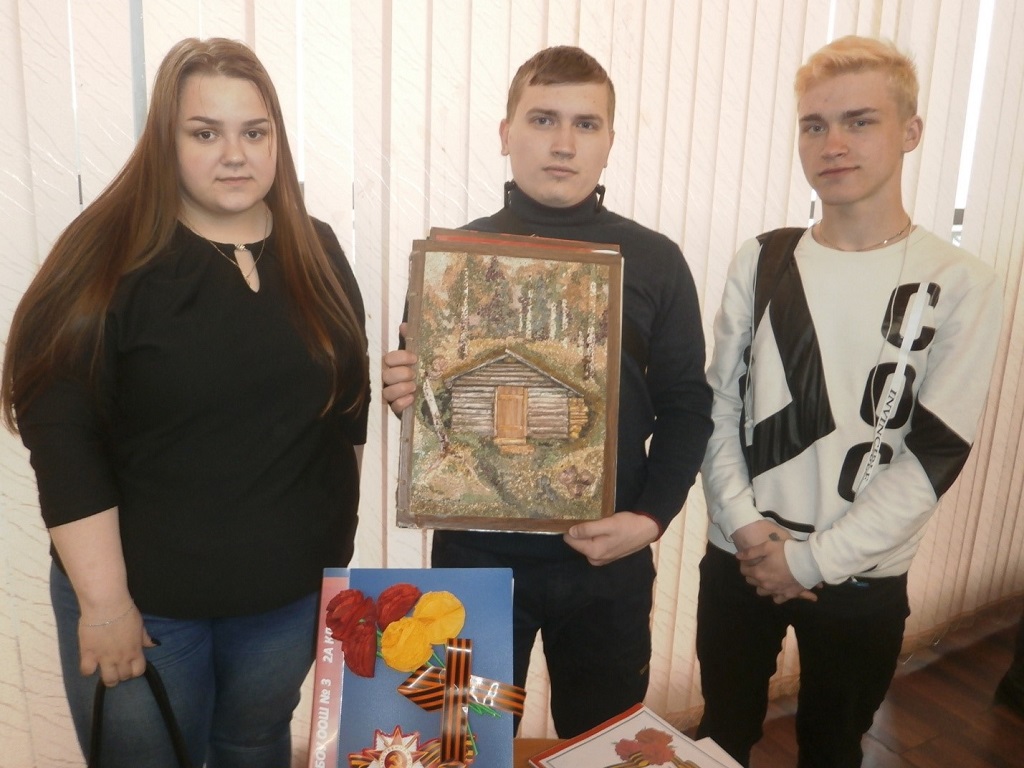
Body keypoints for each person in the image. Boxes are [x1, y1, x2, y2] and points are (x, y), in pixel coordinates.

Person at [1, 38, 370, 768]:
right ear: (165, 142)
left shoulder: (318, 249)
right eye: (205, 133)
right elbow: (62, 436)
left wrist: (330, 559)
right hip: (145, 612)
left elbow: (345, 412)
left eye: (254, 132)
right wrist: (104, 605)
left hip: (286, 603)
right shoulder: (104, 256)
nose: (234, 155)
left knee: (254, 746)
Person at [381, 46, 713, 737]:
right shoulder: (450, 261)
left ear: (610, 141)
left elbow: (687, 406)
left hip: (607, 564)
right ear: (506, 133)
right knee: (465, 740)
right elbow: (431, 409)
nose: (564, 143)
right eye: (543, 119)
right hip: (473, 566)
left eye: (586, 124)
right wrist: (407, 394)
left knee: (600, 741)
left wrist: (651, 519)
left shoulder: (656, 261)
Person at [695, 35, 1003, 767]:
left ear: (910, 131)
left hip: (862, 577)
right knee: (719, 738)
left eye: (860, 121)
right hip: (740, 557)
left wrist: (809, 563)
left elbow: (936, 454)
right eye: (814, 125)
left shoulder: (961, 281)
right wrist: (746, 529)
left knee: (833, 749)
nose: (832, 144)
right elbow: (718, 407)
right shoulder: (763, 258)